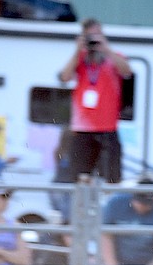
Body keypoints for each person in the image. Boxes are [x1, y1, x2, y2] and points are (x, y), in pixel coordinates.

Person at [57, 19, 132, 184]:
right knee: (79, 179)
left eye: (97, 35)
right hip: (82, 131)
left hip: (107, 130)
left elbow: (127, 71)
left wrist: (106, 49)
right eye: (89, 36)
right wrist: (77, 51)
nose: (93, 40)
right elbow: (64, 77)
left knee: (111, 179)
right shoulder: (80, 61)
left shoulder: (113, 58)